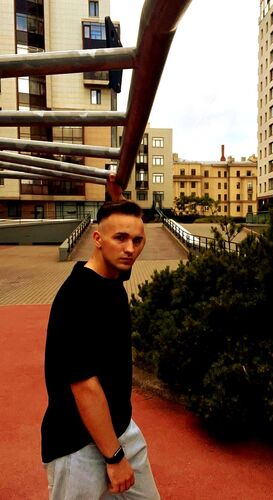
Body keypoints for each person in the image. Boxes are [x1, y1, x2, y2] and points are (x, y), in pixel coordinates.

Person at [41, 176, 160, 499]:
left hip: (120, 428)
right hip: (77, 443)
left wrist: (116, 198)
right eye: (120, 238)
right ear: (97, 239)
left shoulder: (112, 276)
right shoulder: (77, 297)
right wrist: (114, 458)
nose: (130, 249)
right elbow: (84, 387)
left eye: (137, 240)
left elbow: (121, 240)